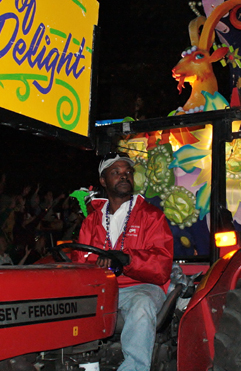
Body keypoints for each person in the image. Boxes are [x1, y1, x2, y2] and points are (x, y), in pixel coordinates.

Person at [72, 154, 173, 371]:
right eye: (115, 172)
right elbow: (80, 263)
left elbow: (162, 268)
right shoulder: (91, 221)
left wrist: (127, 259)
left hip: (140, 287)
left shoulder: (151, 216)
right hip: (101, 290)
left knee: (142, 304)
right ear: (103, 180)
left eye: (127, 172)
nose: (124, 176)